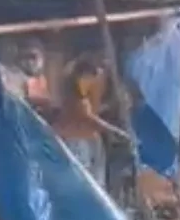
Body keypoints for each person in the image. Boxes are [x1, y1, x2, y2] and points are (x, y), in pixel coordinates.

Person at [54, 55, 128, 187]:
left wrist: (112, 105)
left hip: (90, 138)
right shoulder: (74, 89)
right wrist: (113, 131)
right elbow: (86, 117)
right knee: (83, 179)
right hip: (75, 139)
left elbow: (91, 111)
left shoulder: (84, 89)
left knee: (97, 181)